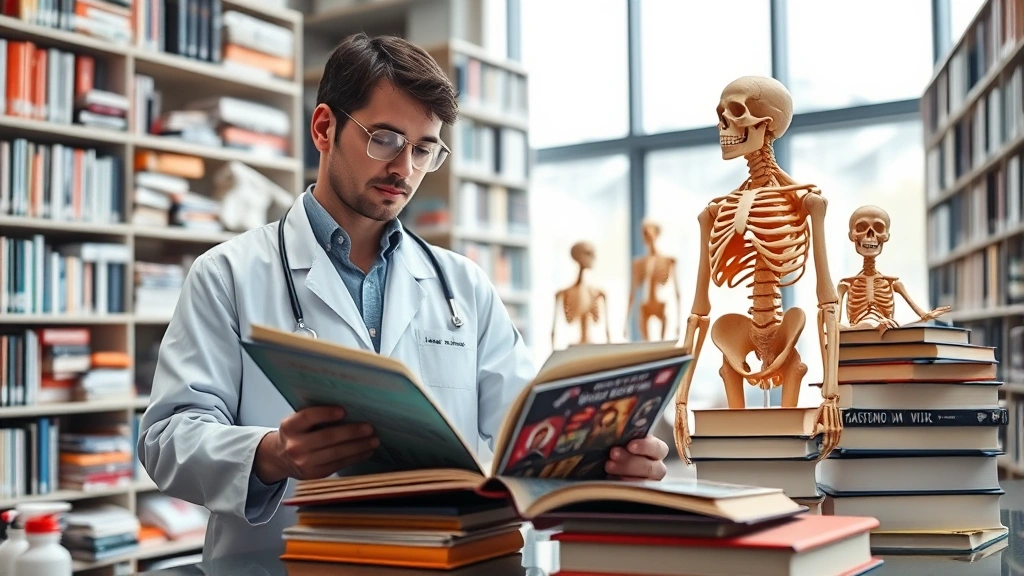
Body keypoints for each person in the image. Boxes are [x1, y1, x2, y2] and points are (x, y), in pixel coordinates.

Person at [136, 32, 670, 562]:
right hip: (283, 566)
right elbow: (167, 438)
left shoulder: (463, 286)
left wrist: (603, 464)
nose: (404, 168)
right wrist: (271, 454)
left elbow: (527, 438)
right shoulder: (227, 275)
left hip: (445, 563)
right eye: (386, 139)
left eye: (423, 149)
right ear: (324, 128)